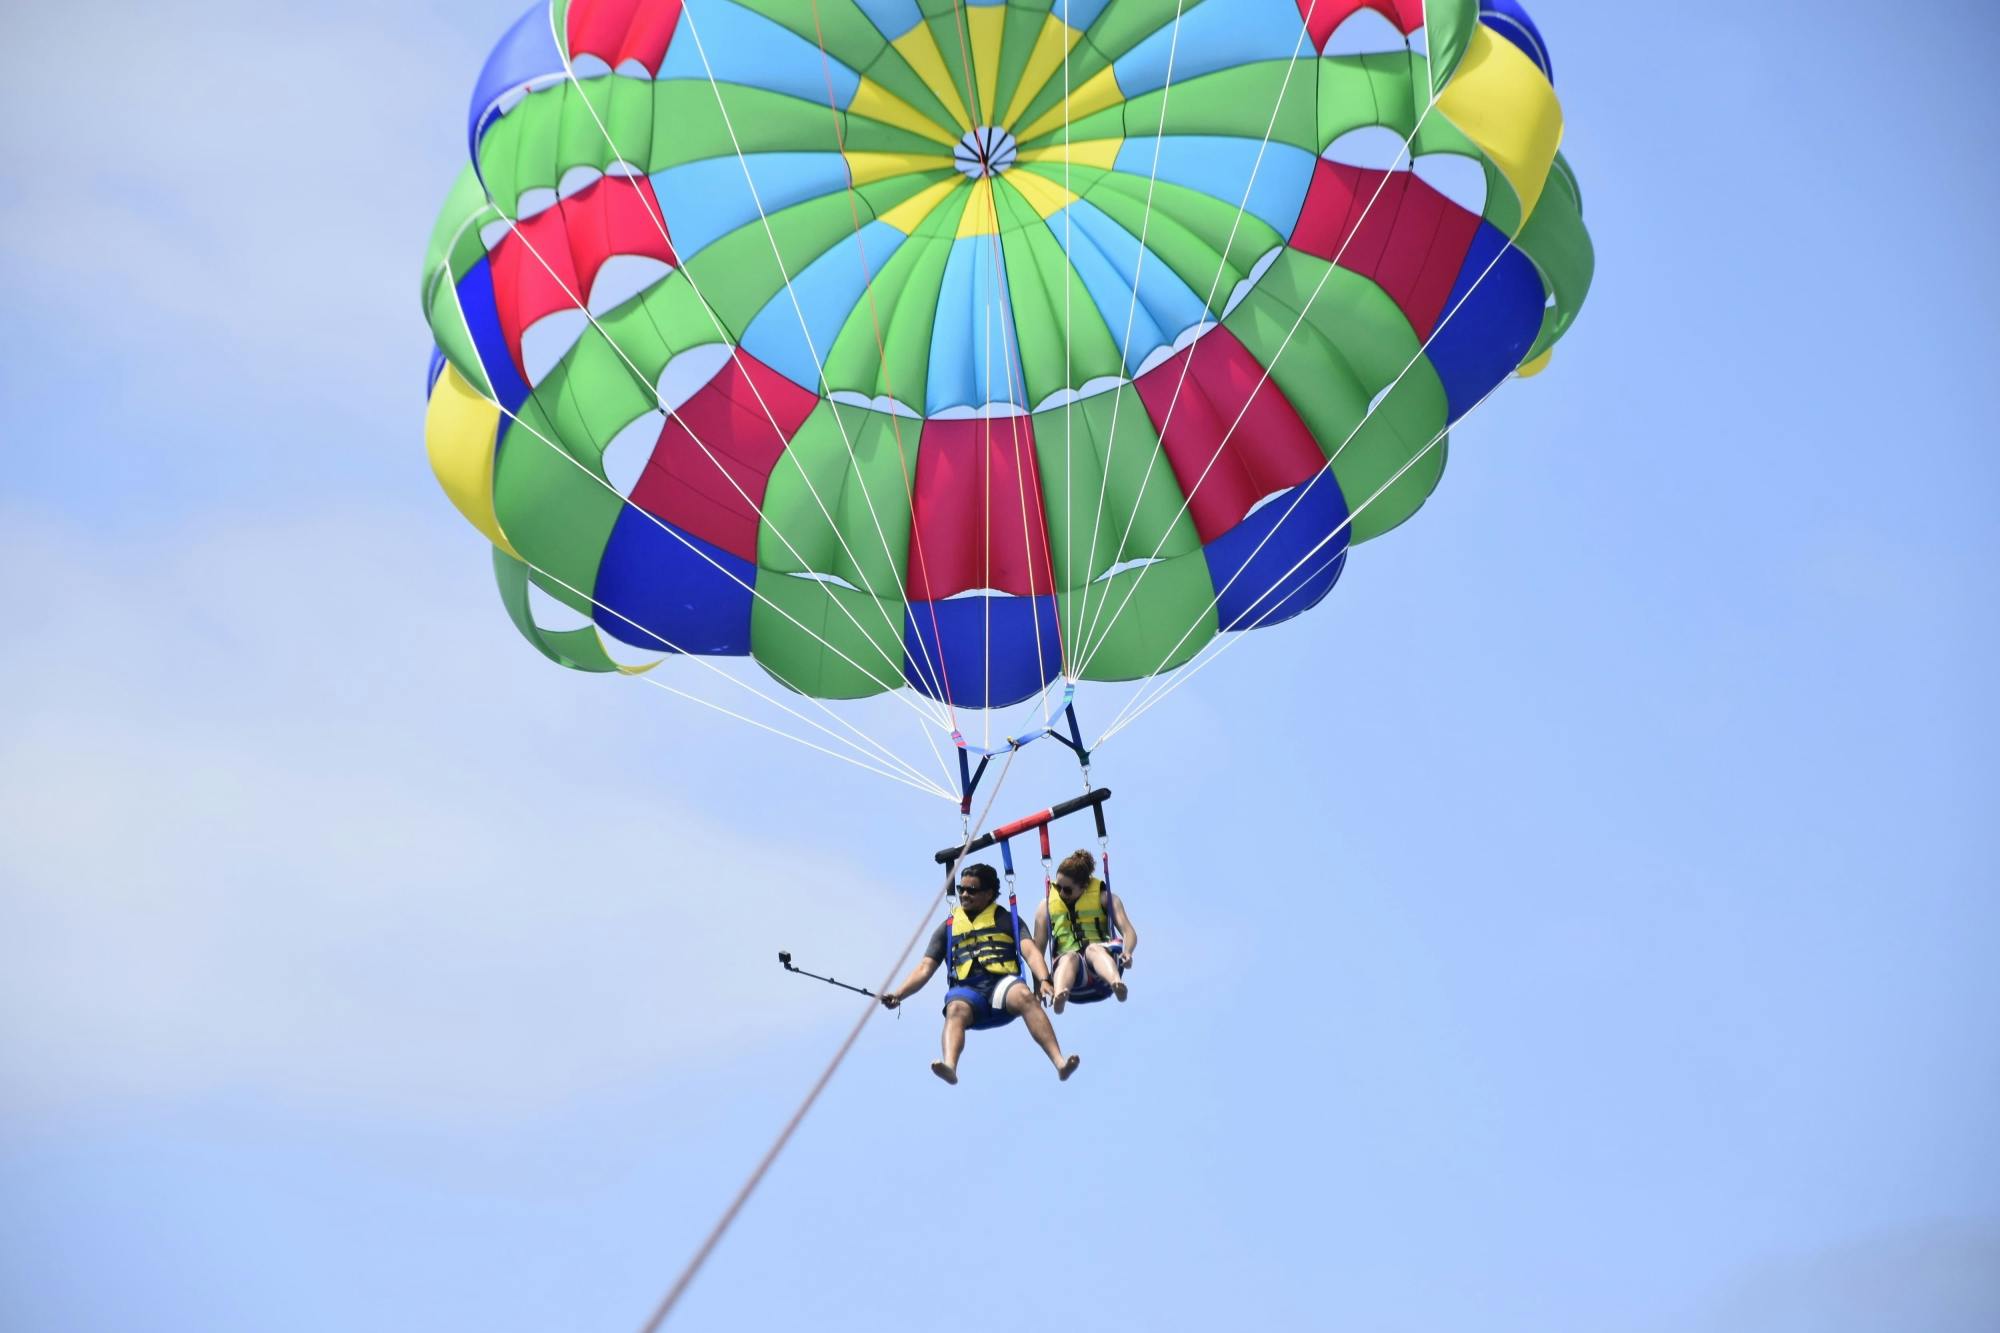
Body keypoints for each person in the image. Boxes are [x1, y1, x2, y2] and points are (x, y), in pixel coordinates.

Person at [881, 862, 1080, 1085]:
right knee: (954, 1008)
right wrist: (899, 995)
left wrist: (1044, 979)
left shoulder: (1006, 919)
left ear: (989, 894)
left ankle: (1060, 1062)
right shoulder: (948, 927)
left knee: (1024, 995)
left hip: (1002, 987)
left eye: (971, 891)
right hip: (968, 993)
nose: (964, 895)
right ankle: (950, 1066)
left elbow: (1030, 951)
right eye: (961, 890)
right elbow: (924, 968)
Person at [1032, 849, 1138, 1014]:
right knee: (1069, 957)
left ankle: (1116, 983)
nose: (1061, 893)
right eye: (1057, 887)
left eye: (1067, 890)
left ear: (1085, 886)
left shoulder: (1105, 898)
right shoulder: (1045, 908)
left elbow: (1129, 932)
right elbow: (1036, 953)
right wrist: (1040, 984)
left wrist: (1128, 952)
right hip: (1074, 982)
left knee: (1092, 949)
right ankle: (1060, 994)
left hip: (1101, 972)